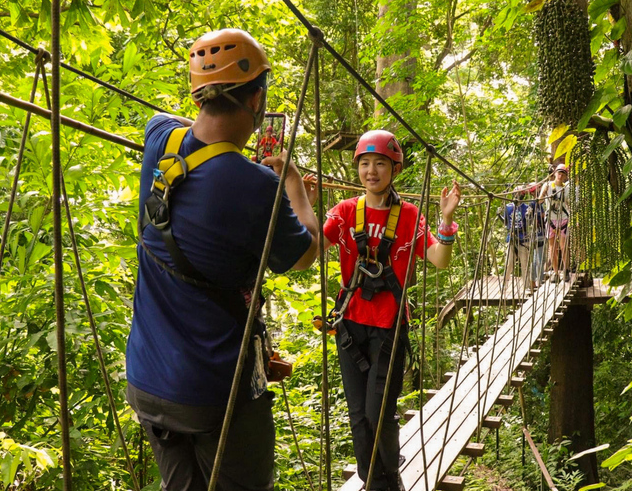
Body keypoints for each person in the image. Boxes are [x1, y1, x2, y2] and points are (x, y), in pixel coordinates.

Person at [126, 28, 319, 491]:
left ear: (198, 95)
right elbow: (306, 254)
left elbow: (166, 120)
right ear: (256, 102)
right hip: (215, 392)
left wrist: (216, 147)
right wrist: (295, 190)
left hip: (149, 383)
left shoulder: (160, 139)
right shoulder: (256, 186)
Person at [311, 130, 461, 491]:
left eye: (380, 164)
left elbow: (439, 260)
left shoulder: (409, 216)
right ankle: (373, 480)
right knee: (358, 415)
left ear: (394, 170)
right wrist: (304, 203)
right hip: (349, 327)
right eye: (364, 164)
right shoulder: (345, 212)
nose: (371, 171)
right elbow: (311, 248)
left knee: (378, 410)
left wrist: (445, 220)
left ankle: (387, 481)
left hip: (389, 327)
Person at [540, 163, 570, 282]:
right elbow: (540, 200)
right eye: (559, 172)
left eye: (563, 173)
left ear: (564, 176)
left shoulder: (566, 188)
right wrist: (542, 194)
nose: (560, 174)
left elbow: (569, 204)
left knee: (563, 246)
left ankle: (566, 270)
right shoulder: (547, 185)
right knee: (552, 248)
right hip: (550, 220)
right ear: (555, 173)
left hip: (563, 219)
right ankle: (556, 273)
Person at [502, 187, 531, 293]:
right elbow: (506, 222)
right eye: (517, 193)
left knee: (524, 263)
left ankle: (526, 287)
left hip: (523, 238)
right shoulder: (508, 207)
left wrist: (530, 216)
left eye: (521, 193)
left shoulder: (526, 208)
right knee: (509, 262)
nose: (519, 195)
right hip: (512, 238)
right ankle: (504, 285)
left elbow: (529, 223)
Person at [526, 182, 546, 286]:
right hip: (537, 233)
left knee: (536, 258)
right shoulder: (533, 203)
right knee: (540, 258)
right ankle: (539, 280)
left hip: (540, 232)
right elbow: (529, 219)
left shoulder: (539, 203)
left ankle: (534, 281)